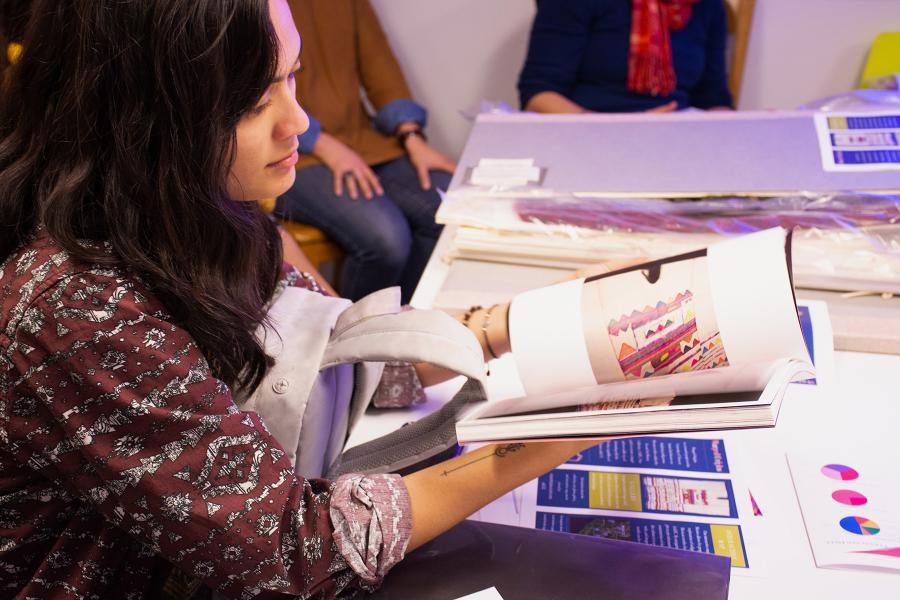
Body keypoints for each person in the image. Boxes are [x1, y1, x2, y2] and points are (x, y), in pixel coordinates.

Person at [0, 1, 593, 598]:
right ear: (140, 117)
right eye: (253, 104)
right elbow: (294, 549)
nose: (299, 122)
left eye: (292, 74)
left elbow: (348, 361)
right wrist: (548, 437)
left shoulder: (205, 215)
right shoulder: (77, 306)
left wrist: (561, 312)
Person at [274, 0, 456, 304]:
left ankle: (409, 320)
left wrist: (411, 136)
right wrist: (320, 143)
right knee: (386, 240)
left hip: (363, 140)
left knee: (447, 209)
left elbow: (379, 64)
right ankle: (356, 339)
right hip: (291, 151)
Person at [518, 0, 734, 114]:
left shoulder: (708, 5)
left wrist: (752, 129)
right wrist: (623, 131)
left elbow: (713, 98)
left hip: (677, 145)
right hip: (588, 141)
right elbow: (538, 95)